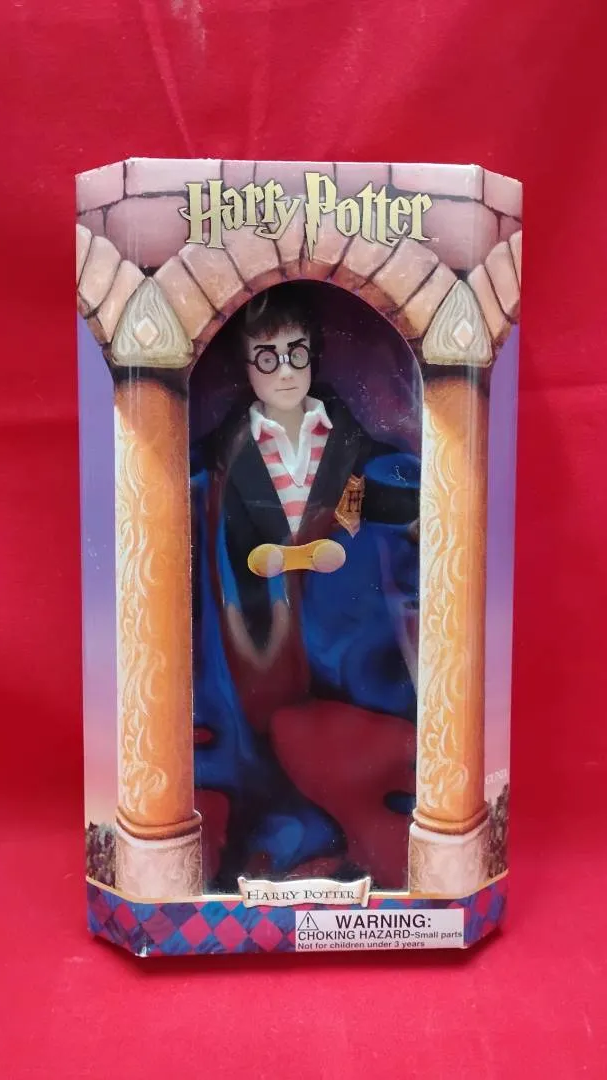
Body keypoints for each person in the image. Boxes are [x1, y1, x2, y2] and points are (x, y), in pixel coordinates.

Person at [190, 282, 420, 889]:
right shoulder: (225, 452)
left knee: (347, 739)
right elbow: (203, 518)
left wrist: (350, 533)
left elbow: (374, 495)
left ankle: (360, 840)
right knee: (266, 740)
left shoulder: (345, 437)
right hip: (257, 634)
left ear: (313, 354)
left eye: (296, 352)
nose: (286, 370)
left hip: (344, 629)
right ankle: (281, 840)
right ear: (246, 365)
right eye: (267, 357)